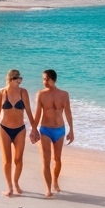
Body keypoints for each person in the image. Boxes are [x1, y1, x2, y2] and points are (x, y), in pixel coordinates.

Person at [0, 69, 38, 197]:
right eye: (17, 78)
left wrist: (34, 128)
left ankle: (16, 182)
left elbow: (28, 111)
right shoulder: (2, 93)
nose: (20, 80)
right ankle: (9, 187)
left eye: (21, 78)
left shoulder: (23, 92)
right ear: (10, 79)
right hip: (4, 128)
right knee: (7, 161)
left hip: (20, 129)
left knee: (18, 159)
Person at [34, 69, 74, 197]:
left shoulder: (64, 95)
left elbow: (68, 112)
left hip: (59, 130)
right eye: (43, 79)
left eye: (46, 79)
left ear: (53, 79)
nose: (44, 82)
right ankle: (48, 189)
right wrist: (33, 129)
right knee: (46, 160)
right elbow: (37, 114)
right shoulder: (41, 94)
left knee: (57, 159)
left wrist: (71, 130)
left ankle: (55, 180)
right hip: (45, 129)